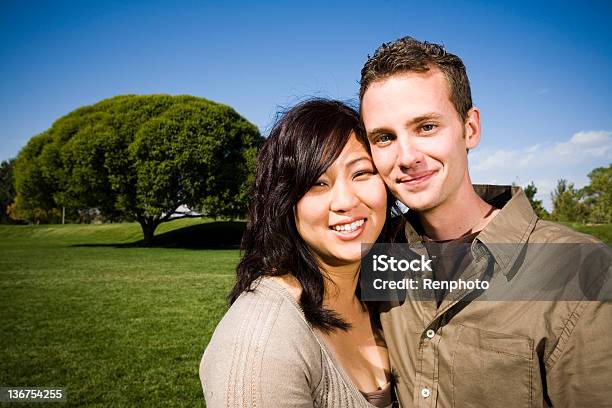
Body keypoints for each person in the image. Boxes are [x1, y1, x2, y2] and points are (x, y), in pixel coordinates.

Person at [358, 36, 612, 407]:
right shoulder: (378, 256)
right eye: (384, 137)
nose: (407, 156)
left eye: (426, 127)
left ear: (470, 128)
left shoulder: (578, 268)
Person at [200, 99, 400, 407]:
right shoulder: (261, 342)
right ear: (285, 201)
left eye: (361, 173)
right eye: (318, 183)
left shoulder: (389, 283)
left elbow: (491, 273)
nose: (345, 201)